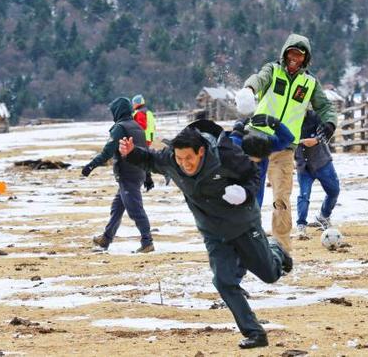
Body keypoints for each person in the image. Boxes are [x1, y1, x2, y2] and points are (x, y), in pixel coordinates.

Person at [118, 123, 293, 349]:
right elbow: (151, 161)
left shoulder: (224, 155)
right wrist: (131, 153)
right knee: (223, 281)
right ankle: (255, 333)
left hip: (242, 223)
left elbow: (252, 175)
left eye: (188, 158)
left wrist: (245, 194)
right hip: (212, 231)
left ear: (201, 151)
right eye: (179, 158)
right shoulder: (172, 160)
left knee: (270, 275)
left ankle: (276, 251)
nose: (184, 164)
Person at [237, 33, 338, 251]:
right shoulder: (272, 70)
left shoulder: (309, 83)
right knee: (252, 192)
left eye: (300, 55)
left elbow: (326, 107)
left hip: (284, 147)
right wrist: (248, 89)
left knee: (281, 197)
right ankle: (245, 240)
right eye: (292, 53)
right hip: (257, 139)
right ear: (285, 53)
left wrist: (330, 123)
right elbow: (258, 78)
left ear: (305, 58)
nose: (295, 58)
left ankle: (281, 248)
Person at [82, 97, 154, 254]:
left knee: (135, 209)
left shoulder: (120, 128)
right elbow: (144, 153)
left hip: (127, 174)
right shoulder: (137, 126)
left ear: (117, 111)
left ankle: (147, 242)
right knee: (117, 208)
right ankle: (106, 239)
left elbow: (107, 151)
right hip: (137, 173)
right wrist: (147, 175)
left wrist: (91, 165)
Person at [227, 114, 294, 206]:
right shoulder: (235, 145)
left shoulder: (266, 144)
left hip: (254, 205)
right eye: (252, 160)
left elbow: (288, 139)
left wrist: (276, 124)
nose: (255, 163)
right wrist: (236, 130)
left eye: (258, 160)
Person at [295, 110, 341, 239]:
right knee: (304, 195)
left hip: (322, 162)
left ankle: (324, 216)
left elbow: (325, 132)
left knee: (334, 191)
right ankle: (301, 225)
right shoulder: (290, 119)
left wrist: (316, 139)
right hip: (303, 166)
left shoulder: (316, 116)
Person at [132, 94, 156, 191]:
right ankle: (147, 181)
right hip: (147, 138)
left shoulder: (140, 113)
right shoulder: (148, 112)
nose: (132, 105)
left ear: (137, 104)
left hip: (141, 139)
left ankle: (147, 181)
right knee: (143, 160)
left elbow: (141, 126)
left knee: (140, 160)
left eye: (133, 103)